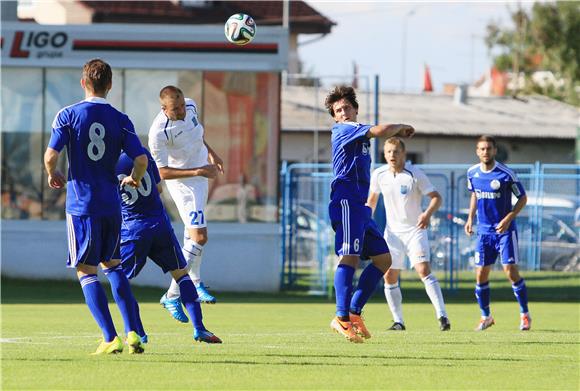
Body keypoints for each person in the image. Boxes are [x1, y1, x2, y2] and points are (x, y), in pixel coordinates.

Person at [43, 58, 148, 354]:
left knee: (86, 270)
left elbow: (51, 156)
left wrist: (53, 174)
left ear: (83, 83)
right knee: (113, 266)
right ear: (110, 85)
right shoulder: (121, 119)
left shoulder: (68, 115)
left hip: (82, 206)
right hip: (112, 206)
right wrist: (134, 179)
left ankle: (109, 337)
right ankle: (133, 333)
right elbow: (140, 160)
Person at [324, 85, 414, 343]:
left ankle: (353, 312)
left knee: (383, 260)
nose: (343, 113)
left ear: (355, 109)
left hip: (360, 206)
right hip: (346, 200)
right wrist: (401, 127)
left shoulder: (356, 132)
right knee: (349, 257)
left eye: (346, 108)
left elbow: (373, 133)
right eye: (338, 110)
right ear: (335, 116)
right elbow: (380, 131)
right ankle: (341, 318)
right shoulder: (343, 129)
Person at [116, 149, 222, 343]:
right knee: (182, 275)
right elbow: (158, 189)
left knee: (120, 279)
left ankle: (137, 333)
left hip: (132, 229)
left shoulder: (109, 163)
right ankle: (200, 328)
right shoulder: (142, 154)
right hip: (159, 225)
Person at [148, 85, 224, 323]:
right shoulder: (159, 132)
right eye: (175, 108)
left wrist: (211, 153)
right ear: (164, 109)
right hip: (183, 184)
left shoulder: (190, 105)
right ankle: (172, 294)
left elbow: (197, 134)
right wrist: (200, 170)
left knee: (192, 238)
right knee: (200, 237)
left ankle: (196, 282)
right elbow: (161, 172)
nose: (181, 110)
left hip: (201, 177)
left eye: (181, 105)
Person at [367, 138, 450, 331]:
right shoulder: (379, 174)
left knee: (423, 270)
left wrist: (427, 214)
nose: (392, 156)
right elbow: (371, 201)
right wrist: (365, 221)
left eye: (396, 152)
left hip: (415, 231)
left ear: (403, 153)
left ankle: (442, 316)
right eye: (388, 152)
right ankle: (398, 321)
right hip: (392, 233)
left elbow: (436, 197)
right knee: (389, 275)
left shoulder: (415, 174)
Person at [464, 135, 531, 331]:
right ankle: (486, 317)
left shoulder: (505, 174)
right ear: (477, 151)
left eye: (489, 149)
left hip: (505, 231)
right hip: (483, 233)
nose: (485, 152)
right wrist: (470, 219)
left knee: (510, 271)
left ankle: (525, 315)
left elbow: (523, 198)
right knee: (480, 275)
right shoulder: (472, 173)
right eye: (482, 149)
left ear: (495, 150)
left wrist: (508, 218)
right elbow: (475, 194)